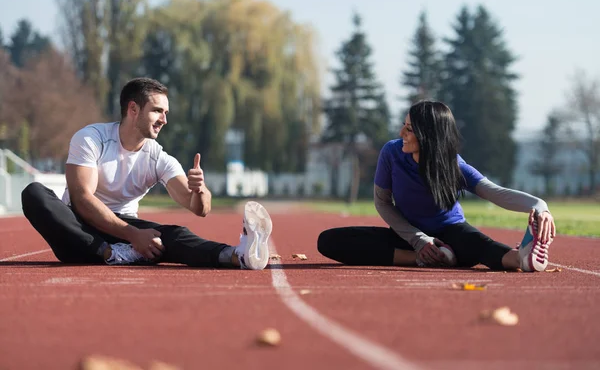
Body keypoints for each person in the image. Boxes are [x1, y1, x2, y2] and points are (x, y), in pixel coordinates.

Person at [21, 77, 272, 270]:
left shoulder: (157, 157)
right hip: (79, 233)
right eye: (157, 111)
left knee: (174, 235)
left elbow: (199, 208)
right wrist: (133, 236)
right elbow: (82, 200)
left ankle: (238, 255)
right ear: (133, 109)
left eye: (166, 113)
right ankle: (110, 253)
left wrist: (200, 189)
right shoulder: (91, 139)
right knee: (34, 194)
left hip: (127, 233)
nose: (164, 119)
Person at [317, 100, 555, 272]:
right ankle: (432, 258)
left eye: (409, 129)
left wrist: (539, 206)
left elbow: (494, 192)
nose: (401, 133)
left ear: (428, 136)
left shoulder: (453, 165)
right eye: (404, 125)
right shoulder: (392, 152)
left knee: (481, 246)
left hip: (452, 233)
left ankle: (523, 256)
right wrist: (419, 240)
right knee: (329, 241)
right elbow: (382, 201)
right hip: (408, 236)